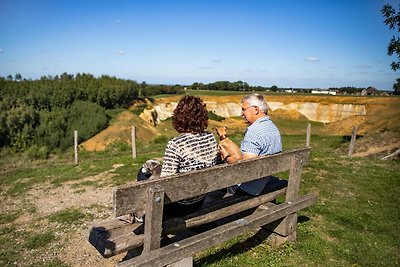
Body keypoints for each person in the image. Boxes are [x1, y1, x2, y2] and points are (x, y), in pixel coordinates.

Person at [137, 95, 220, 219]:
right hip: (199, 200)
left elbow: (165, 182)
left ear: (179, 117)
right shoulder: (210, 137)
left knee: (143, 173)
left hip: (180, 206)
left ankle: (143, 215)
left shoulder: (176, 144)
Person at [220, 93, 282, 196]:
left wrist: (226, 157)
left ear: (256, 109)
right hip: (263, 180)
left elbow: (246, 168)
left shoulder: (254, 131)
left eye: (244, 109)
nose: (241, 113)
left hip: (249, 188)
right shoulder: (272, 127)